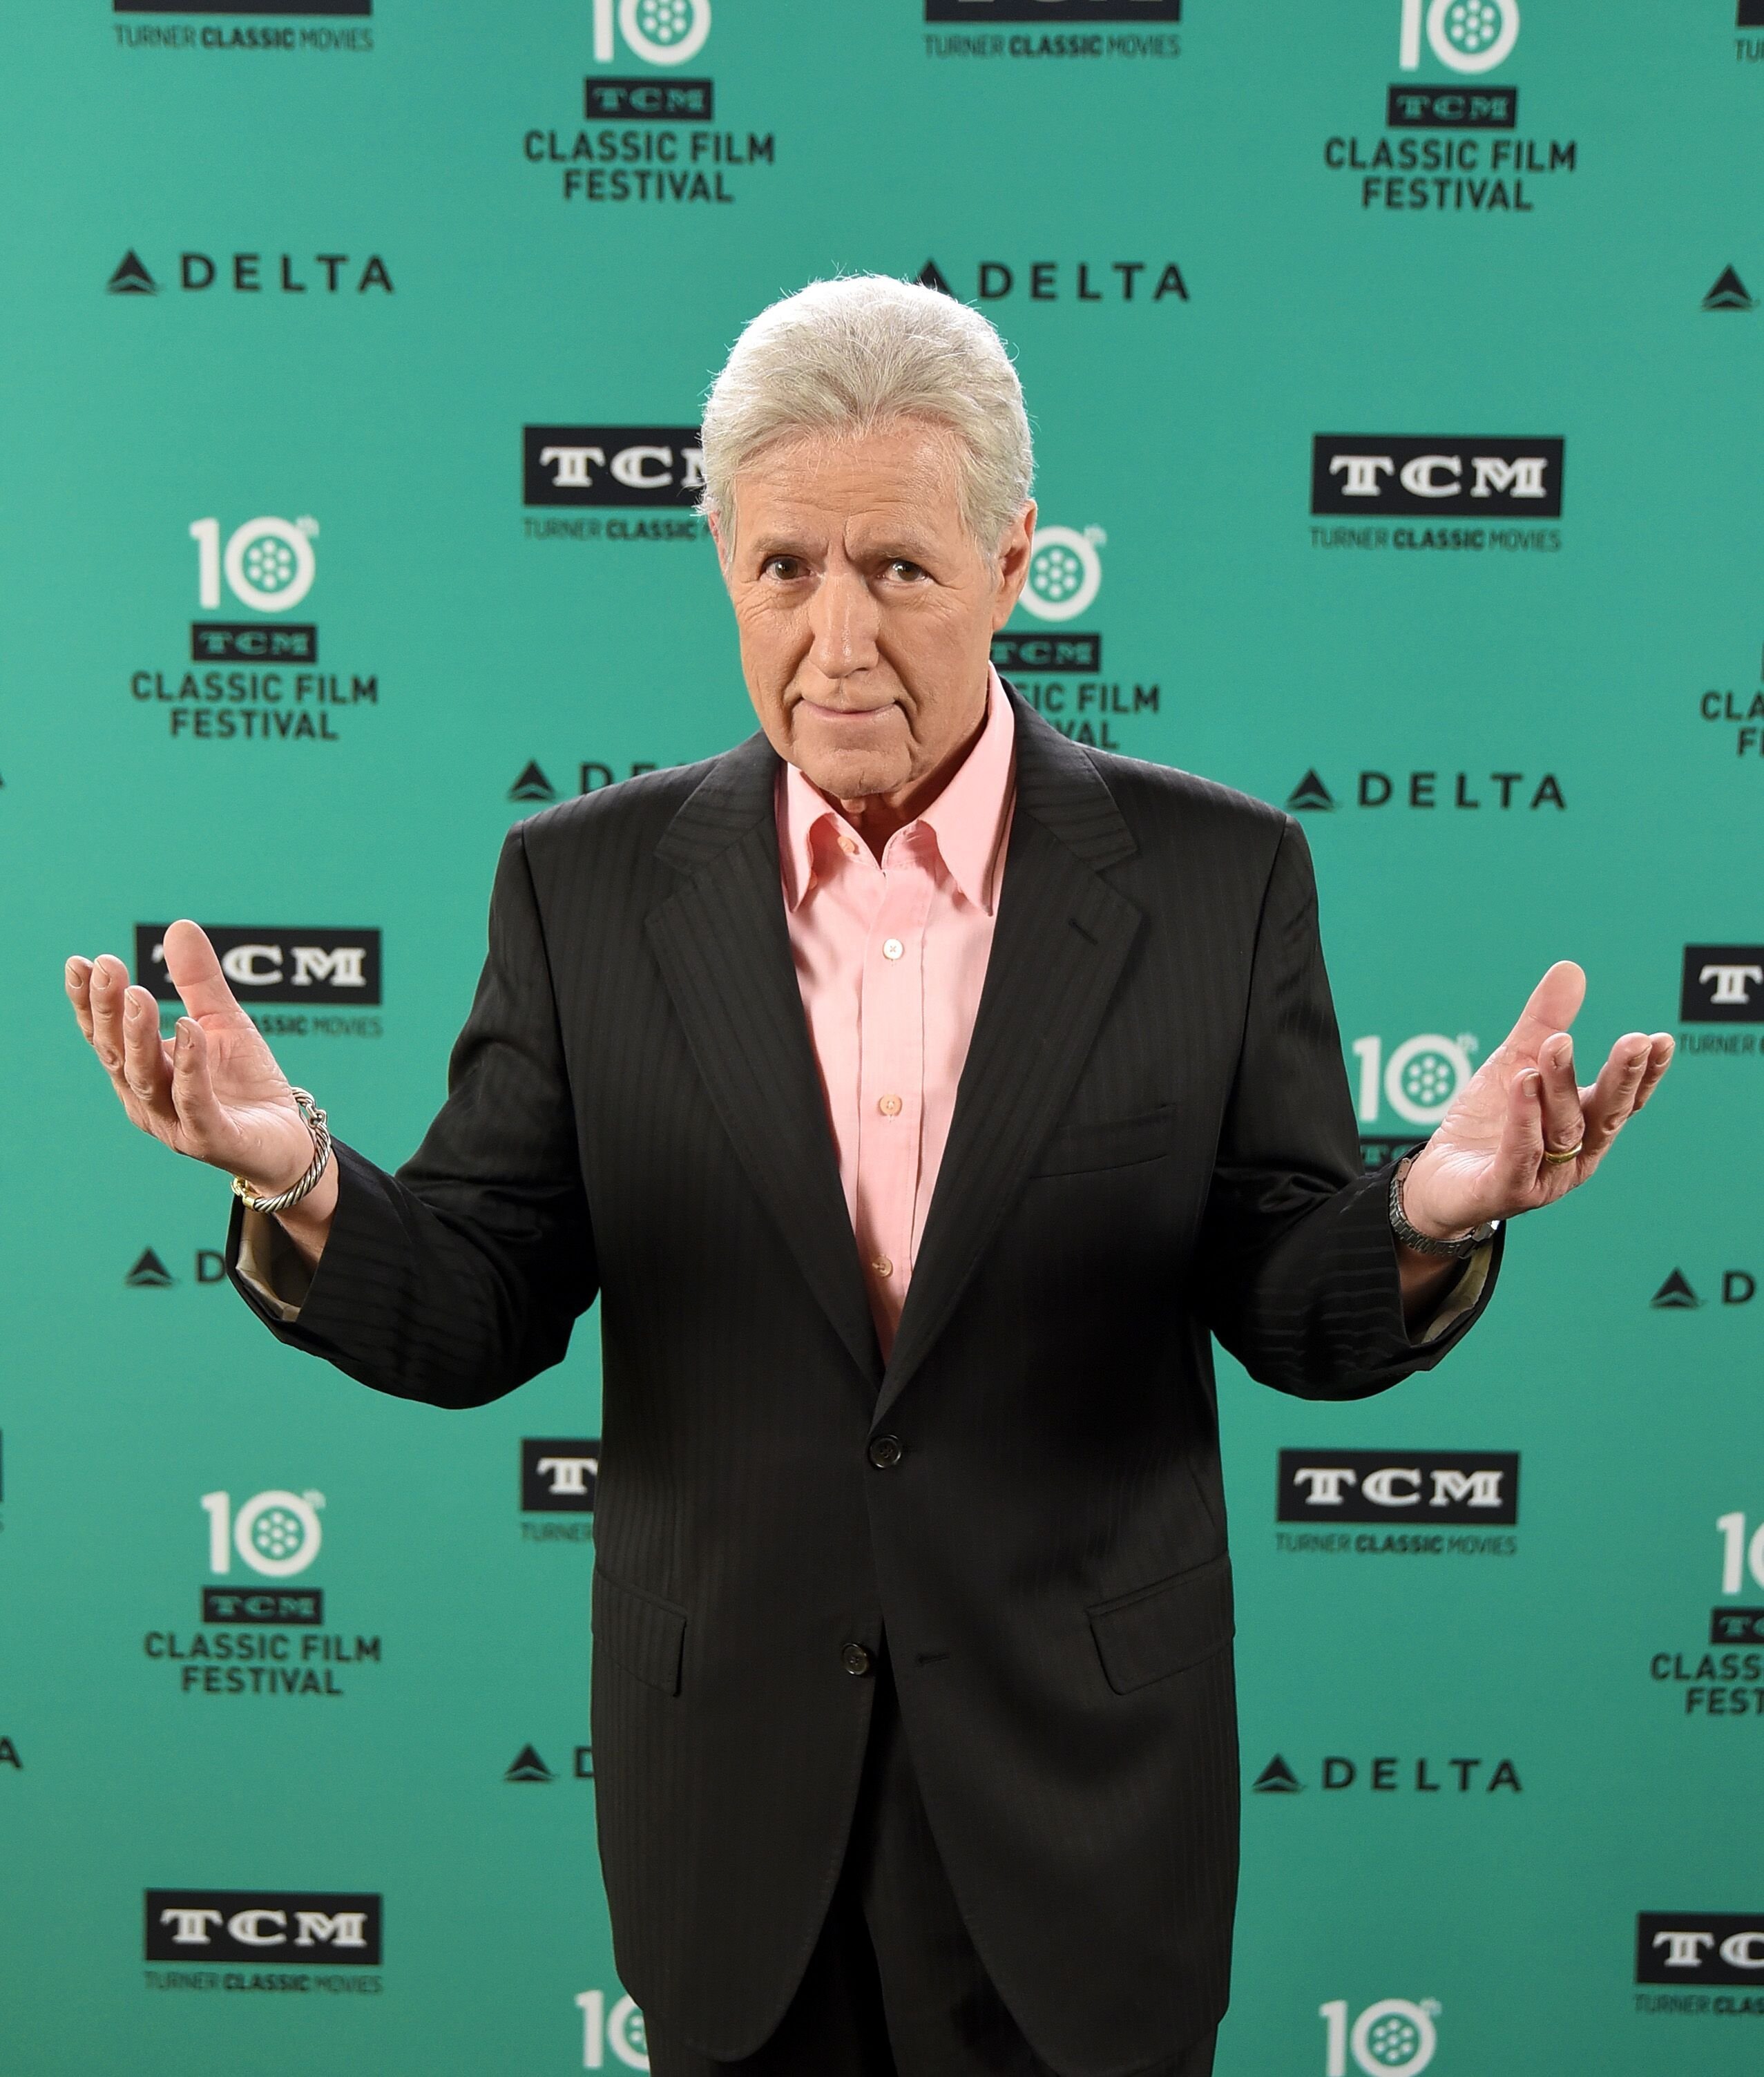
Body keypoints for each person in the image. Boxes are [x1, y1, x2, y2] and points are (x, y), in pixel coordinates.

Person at [65, 276, 1673, 2077]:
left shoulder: (1219, 877)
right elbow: (479, 1300)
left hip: (1088, 1804)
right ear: (721, 561)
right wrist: (294, 1176)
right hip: (729, 1798)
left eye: (899, 570)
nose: (837, 635)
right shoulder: (581, 889)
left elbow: (1284, 1294)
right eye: (785, 570)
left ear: (1014, 562)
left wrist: (1428, 1217)